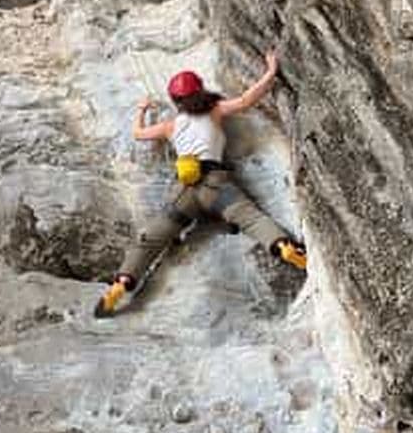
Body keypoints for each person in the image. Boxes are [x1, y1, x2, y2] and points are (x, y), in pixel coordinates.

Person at [96, 50, 307, 315]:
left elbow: (138, 134)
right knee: (252, 219)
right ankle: (283, 246)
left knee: (151, 239)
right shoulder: (214, 111)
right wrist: (271, 71)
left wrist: (141, 110)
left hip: (186, 190)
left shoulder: (171, 125)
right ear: (201, 91)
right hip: (218, 186)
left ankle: (123, 281)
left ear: (175, 100)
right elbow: (246, 100)